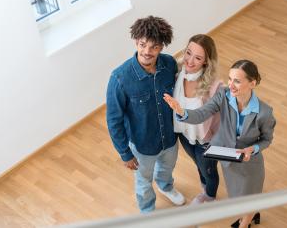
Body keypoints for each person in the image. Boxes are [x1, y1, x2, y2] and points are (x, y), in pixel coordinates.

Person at [164, 60, 276, 228]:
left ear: (252, 83)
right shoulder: (223, 96)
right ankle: (252, 214)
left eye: (237, 81)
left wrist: (254, 148)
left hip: (250, 164)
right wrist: (182, 112)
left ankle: (244, 223)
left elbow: (267, 139)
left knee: (250, 195)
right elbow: (202, 114)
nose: (230, 84)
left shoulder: (264, 112)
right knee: (237, 195)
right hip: (229, 159)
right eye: (230, 79)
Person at [106, 16, 185, 213]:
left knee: (166, 170)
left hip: (169, 138)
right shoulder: (119, 78)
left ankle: (165, 187)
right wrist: (125, 153)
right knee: (143, 182)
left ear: (162, 47)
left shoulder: (169, 65)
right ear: (136, 42)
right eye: (142, 45)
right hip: (142, 146)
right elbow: (113, 119)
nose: (147, 52)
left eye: (154, 47)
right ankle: (147, 210)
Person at [174, 34, 222, 204]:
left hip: (206, 141)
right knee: (199, 165)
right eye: (188, 53)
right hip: (184, 134)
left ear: (206, 62)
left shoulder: (215, 87)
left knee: (209, 170)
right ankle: (205, 188)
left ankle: (209, 196)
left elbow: (224, 120)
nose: (190, 61)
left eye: (198, 57)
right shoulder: (178, 74)